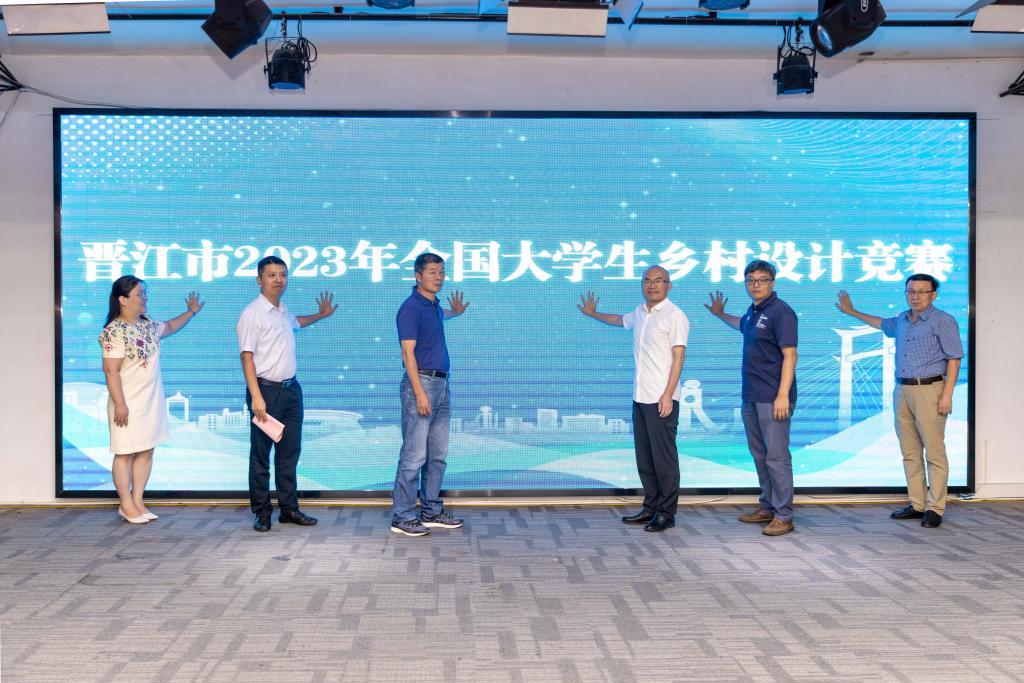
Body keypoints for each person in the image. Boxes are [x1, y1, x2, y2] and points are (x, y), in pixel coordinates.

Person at [836, 274, 963, 528]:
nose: (916, 296)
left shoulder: (944, 320)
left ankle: (935, 508)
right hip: (902, 390)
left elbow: (954, 358)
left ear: (934, 295)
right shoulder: (903, 319)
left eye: (922, 291)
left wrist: (947, 394)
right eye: (911, 291)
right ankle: (917, 504)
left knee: (934, 452)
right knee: (910, 451)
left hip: (930, 390)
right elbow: (882, 324)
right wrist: (851, 312)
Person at [578, 265, 689, 532]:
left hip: (661, 398)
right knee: (645, 458)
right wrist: (593, 314)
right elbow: (619, 320)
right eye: (647, 281)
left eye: (658, 281)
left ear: (669, 285)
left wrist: (668, 394)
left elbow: (678, 357)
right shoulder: (640, 312)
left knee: (663, 459)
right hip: (640, 396)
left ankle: (666, 513)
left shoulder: (675, 315)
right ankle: (650, 507)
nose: (652, 285)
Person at [237, 256, 336, 532]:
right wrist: (256, 397)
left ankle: (289, 509)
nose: (278, 280)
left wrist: (321, 315)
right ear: (259, 280)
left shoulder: (282, 310)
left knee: (289, 453)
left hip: (291, 391)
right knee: (261, 456)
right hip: (265, 392)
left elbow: (297, 322)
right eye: (271, 275)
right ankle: (262, 513)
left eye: (282, 274)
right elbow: (246, 357)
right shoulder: (252, 314)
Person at [100, 275, 203, 524]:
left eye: (145, 293)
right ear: (123, 300)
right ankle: (125, 504)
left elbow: (170, 326)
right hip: (126, 402)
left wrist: (190, 312)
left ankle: (137, 501)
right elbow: (111, 371)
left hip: (150, 401)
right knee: (124, 453)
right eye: (139, 294)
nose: (144, 298)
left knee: (146, 450)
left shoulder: (147, 325)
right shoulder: (113, 331)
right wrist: (120, 404)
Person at [705, 260, 798, 537]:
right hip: (751, 395)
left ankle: (784, 515)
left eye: (762, 280)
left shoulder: (781, 312)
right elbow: (743, 325)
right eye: (751, 280)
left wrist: (783, 395)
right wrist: (721, 314)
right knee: (760, 455)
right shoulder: (754, 311)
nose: (756, 284)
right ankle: (767, 506)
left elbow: (790, 355)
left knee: (777, 457)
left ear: (773, 283)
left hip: (773, 398)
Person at [390, 253, 469, 537]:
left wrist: (455, 312)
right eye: (433, 272)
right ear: (418, 276)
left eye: (442, 272)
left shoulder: (433, 306)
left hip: (442, 386)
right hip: (421, 384)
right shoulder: (411, 308)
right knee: (414, 456)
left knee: (438, 454)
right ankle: (402, 516)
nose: (439, 277)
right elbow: (407, 353)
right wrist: (419, 392)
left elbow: (438, 318)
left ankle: (431, 510)